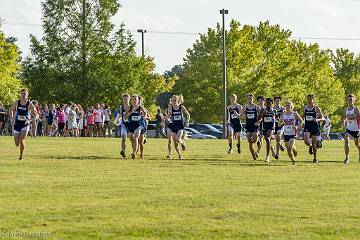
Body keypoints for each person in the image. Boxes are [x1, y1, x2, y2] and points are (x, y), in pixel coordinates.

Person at [9, 89, 38, 160]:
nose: (23, 95)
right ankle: (20, 148)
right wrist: (12, 119)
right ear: (20, 94)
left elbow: (36, 115)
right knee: (17, 143)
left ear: (27, 94)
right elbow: (11, 110)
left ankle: (21, 156)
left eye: (25, 93)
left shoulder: (29, 104)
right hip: (17, 124)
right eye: (22, 93)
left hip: (25, 124)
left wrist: (30, 120)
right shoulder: (17, 102)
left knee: (22, 139)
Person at [166, 95, 190, 160]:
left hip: (180, 126)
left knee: (178, 139)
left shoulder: (181, 107)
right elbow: (168, 116)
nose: (174, 101)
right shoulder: (171, 108)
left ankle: (183, 143)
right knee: (175, 142)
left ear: (178, 100)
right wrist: (167, 119)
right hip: (173, 126)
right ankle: (180, 155)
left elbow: (188, 114)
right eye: (172, 100)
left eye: (175, 100)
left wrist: (187, 122)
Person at [125, 95, 148, 160]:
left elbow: (145, 113)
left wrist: (144, 116)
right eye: (133, 99)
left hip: (139, 125)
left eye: (135, 99)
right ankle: (135, 151)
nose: (134, 101)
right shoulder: (130, 107)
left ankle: (136, 153)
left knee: (138, 139)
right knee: (132, 139)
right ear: (131, 101)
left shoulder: (140, 107)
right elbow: (125, 116)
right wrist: (130, 112)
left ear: (138, 100)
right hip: (131, 125)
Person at [303, 94, 324, 163]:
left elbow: (322, 118)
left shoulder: (316, 108)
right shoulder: (305, 108)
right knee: (306, 140)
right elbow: (303, 117)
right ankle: (310, 145)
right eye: (308, 99)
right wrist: (301, 124)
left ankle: (315, 158)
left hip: (315, 127)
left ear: (313, 99)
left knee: (315, 144)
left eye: (310, 99)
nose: (309, 100)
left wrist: (317, 120)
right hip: (307, 126)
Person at [343, 94, 360, 164]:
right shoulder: (345, 109)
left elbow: (359, 117)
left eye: (351, 100)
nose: (349, 101)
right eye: (348, 100)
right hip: (348, 129)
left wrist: (353, 117)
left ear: (354, 100)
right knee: (346, 139)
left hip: (356, 129)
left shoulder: (356, 109)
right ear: (347, 101)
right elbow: (344, 118)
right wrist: (343, 123)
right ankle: (347, 158)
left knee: (357, 144)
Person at [259, 98, 277, 162]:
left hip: (271, 127)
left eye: (269, 103)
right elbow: (258, 118)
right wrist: (262, 114)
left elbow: (278, 119)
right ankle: (272, 149)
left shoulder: (274, 111)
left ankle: (267, 156)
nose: (267, 104)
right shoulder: (263, 109)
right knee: (267, 140)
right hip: (264, 127)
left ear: (272, 104)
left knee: (268, 139)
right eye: (266, 103)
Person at [244, 93, 261, 160]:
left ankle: (258, 141)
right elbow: (241, 114)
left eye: (251, 98)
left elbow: (261, 116)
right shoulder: (245, 107)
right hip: (248, 126)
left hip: (255, 126)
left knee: (254, 140)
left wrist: (258, 122)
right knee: (250, 141)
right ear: (247, 99)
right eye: (249, 98)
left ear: (253, 99)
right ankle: (254, 156)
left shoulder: (257, 107)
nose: (250, 99)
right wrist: (237, 115)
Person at [114, 94, 130, 159]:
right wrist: (117, 121)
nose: (125, 100)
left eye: (126, 99)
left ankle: (134, 152)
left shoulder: (131, 107)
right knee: (123, 139)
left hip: (131, 125)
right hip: (123, 125)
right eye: (124, 99)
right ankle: (123, 153)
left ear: (129, 99)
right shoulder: (121, 108)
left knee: (132, 139)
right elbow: (119, 116)